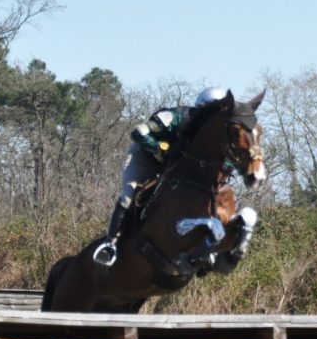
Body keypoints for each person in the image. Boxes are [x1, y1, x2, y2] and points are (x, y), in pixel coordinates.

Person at [92, 86, 229, 267]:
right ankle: (110, 246)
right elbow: (139, 132)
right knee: (128, 196)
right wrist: (161, 150)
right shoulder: (178, 117)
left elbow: (226, 160)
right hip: (146, 159)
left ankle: (205, 247)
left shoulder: (219, 133)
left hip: (175, 168)